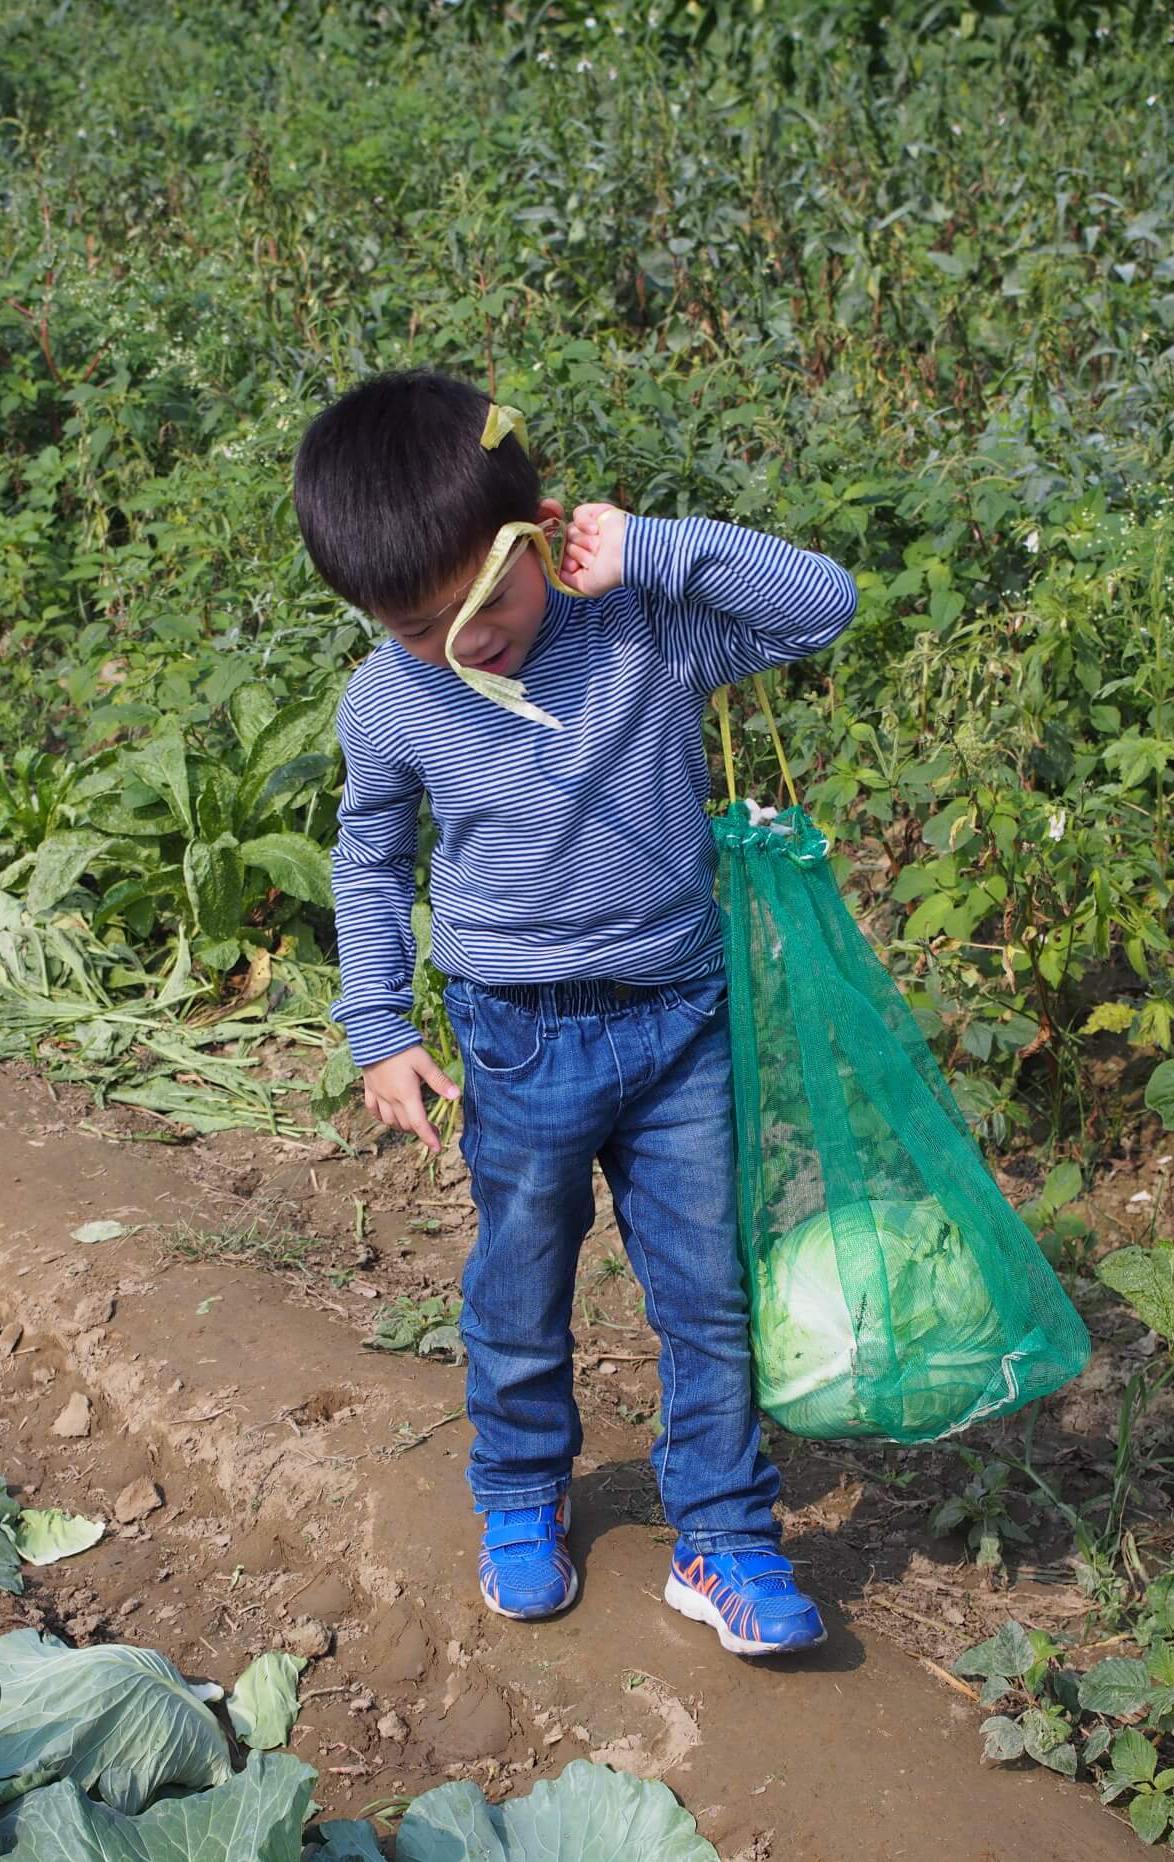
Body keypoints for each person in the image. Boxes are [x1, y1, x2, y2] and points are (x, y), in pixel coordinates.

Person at [291, 367, 857, 1655]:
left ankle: (723, 1538)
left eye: (486, 599)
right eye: (418, 624)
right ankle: (519, 1497)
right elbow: (369, 864)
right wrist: (378, 1026)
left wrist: (660, 544)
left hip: (681, 1024)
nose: (464, 642)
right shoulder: (390, 700)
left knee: (708, 1295)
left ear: (544, 530)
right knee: (520, 1284)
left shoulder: (653, 623)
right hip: (520, 1035)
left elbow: (827, 606)